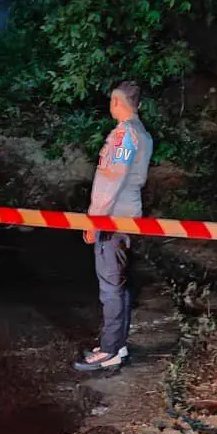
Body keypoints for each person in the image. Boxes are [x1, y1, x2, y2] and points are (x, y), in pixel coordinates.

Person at [74, 81, 152, 372]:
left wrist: (95, 219)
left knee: (110, 287)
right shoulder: (142, 133)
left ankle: (108, 350)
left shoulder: (124, 135)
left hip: (113, 216)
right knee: (121, 283)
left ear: (117, 103)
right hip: (129, 214)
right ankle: (116, 345)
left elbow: (111, 180)